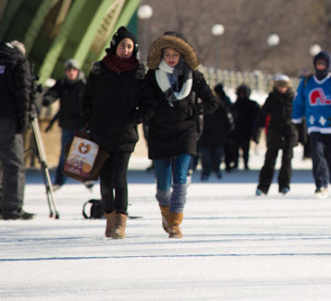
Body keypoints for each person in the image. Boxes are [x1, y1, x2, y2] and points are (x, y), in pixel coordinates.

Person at [143, 31, 216, 238]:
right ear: (162, 56)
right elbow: (144, 101)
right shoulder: (151, 77)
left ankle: (175, 222)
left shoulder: (194, 77)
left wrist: (195, 111)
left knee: (181, 177)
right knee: (163, 184)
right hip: (159, 132)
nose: (172, 58)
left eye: (176, 54)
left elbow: (212, 103)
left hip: (186, 131)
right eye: (168, 54)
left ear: (182, 55)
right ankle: (166, 211)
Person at [81, 27, 148, 237]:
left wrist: (134, 119)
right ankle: (109, 218)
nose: (126, 50)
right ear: (114, 46)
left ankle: (120, 222)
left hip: (125, 135)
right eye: (122, 46)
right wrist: (90, 121)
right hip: (100, 133)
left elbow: (148, 104)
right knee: (106, 182)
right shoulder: (99, 71)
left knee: (119, 179)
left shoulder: (139, 73)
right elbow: (86, 100)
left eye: (129, 46)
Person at [292, 51, 331, 197]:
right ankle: (321, 184)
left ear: (328, 65)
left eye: (324, 64)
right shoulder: (306, 82)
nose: (321, 66)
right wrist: (296, 121)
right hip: (314, 126)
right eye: (318, 64)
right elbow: (298, 103)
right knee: (317, 156)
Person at [0, 40, 34, 220]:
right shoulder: (18, 61)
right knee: (14, 164)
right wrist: (24, 120)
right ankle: (12, 208)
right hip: (8, 119)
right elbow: (23, 92)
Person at [42, 59, 87, 190]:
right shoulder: (62, 83)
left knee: (84, 152)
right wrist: (47, 100)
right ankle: (59, 180)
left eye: (74, 70)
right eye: (68, 70)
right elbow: (53, 93)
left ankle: (85, 177)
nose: (71, 73)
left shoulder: (84, 83)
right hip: (67, 123)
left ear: (77, 71)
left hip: (81, 123)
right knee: (65, 153)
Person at [256, 74, 298, 196]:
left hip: (290, 131)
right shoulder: (271, 99)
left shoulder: (293, 98)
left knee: (287, 160)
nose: (282, 89)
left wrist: (303, 135)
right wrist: (257, 133)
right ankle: (263, 187)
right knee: (270, 160)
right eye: (279, 86)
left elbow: (301, 118)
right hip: (274, 131)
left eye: (284, 86)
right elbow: (262, 117)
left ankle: (284, 186)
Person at [198, 84, 233, 181]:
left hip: (218, 134)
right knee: (206, 156)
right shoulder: (202, 105)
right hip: (206, 135)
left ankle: (216, 170)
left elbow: (227, 118)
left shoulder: (220, 105)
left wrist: (229, 129)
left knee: (217, 155)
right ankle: (206, 172)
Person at [230, 84, 259, 171]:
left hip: (247, 130)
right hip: (236, 130)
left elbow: (256, 118)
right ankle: (235, 163)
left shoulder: (252, 105)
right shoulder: (235, 105)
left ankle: (246, 163)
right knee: (235, 148)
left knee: (245, 148)